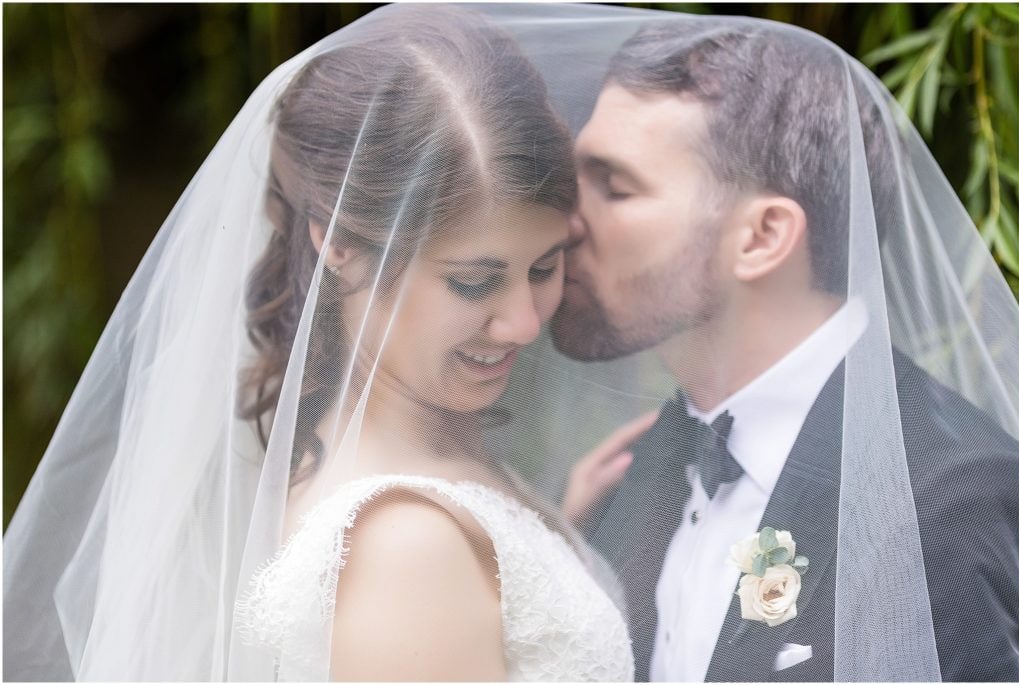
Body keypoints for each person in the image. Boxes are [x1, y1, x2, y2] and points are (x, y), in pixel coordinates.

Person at [3, 6, 645, 681]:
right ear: (337, 243)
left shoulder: (415, 463)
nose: (522, 321)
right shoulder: (402, 549)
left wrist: (552, 541)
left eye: (544, 266)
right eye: (473, 281)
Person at [553, 18, 1019, 683]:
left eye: (615, 187)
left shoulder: (943, 502)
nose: (567, 221)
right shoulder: (637, 465)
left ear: (763, 236)